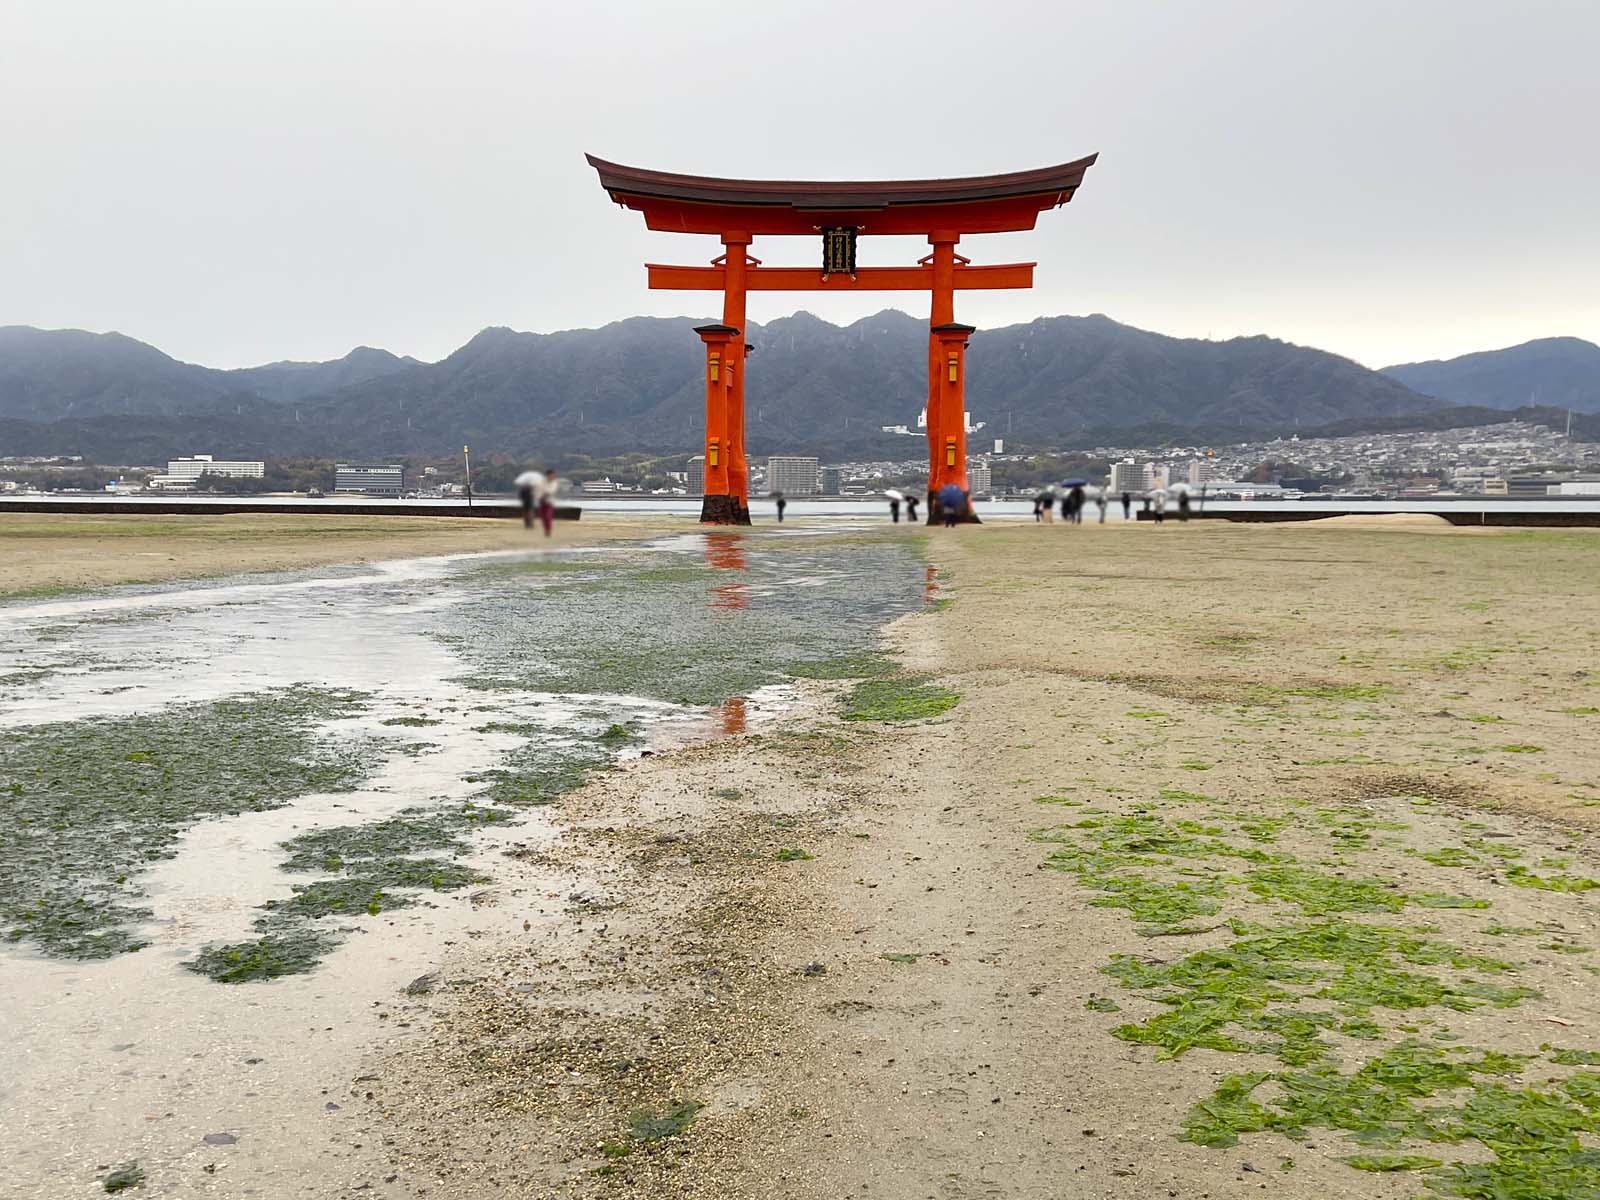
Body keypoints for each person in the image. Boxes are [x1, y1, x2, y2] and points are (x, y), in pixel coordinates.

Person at [536, 468, 558, 536]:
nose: (552, 477)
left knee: (547, 516)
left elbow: (551, 491)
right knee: (543, 517)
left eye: (553, 475)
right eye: (551, 475)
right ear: (547, 475)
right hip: (541, 501)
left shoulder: (554, 482)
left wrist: (544, 493)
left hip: (549, 502)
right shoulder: (542, 481)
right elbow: (538, 490)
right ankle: (546, 529)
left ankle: (548, 531)